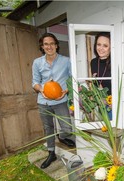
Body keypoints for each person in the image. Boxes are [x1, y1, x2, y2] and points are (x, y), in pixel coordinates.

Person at [32, 33, 75, 169]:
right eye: (46, 44)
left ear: (56, 45)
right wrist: (41, 90)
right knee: (48, 128)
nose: (49, 46)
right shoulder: (37, 62)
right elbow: (35, 82)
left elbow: (72, 79)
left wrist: (66, 91)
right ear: (42, 46)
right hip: (43, 101)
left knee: (67, 127)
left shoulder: (66, 61)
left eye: (52, 43)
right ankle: (51, 153)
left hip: (60, 100)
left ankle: (62, 136)